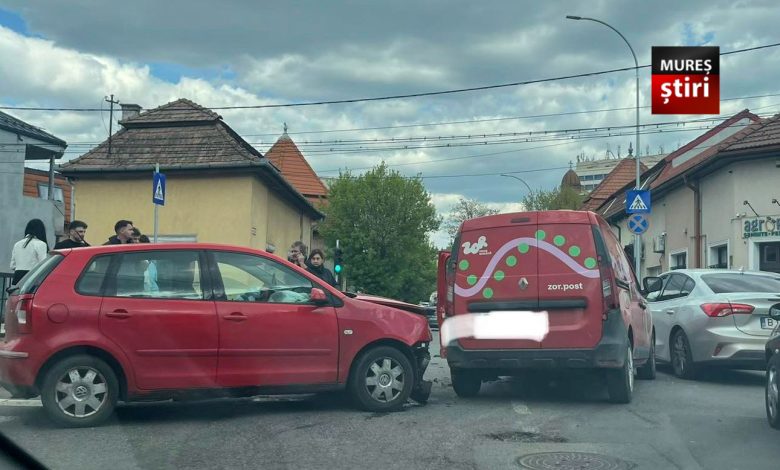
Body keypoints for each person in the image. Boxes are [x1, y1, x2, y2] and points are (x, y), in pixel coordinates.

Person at [10, 219, 48, 285]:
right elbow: (43, 265)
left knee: (15, 295)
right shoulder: (41, 244)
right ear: (41, 231)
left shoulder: (17, 244)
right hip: (32, 278)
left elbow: (12, 265)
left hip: (17, 278)